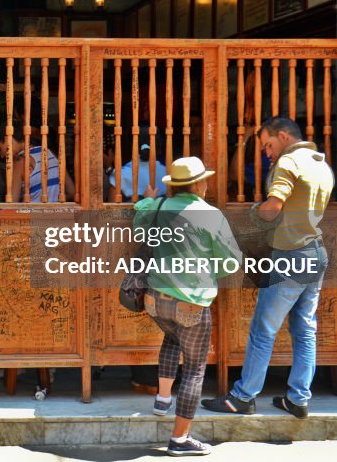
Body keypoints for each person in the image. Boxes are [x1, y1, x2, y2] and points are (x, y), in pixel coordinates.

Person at [202, 116, 334, 419]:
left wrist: (252, 213)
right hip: (316, 253)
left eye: (268, 144)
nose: (266, 152)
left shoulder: (290, 164)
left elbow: (273, 207)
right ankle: (298, 398)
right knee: (305, 330)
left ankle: (242, 397)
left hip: (290, 255)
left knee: (263, 329)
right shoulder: (321, 166)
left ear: (284, 136)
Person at [136, 157, 241, 456]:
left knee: (171, 338)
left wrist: (148, 198)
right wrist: (208, 273)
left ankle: (163, 400)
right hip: (190, 302)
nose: (207, 184)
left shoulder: (156, 207)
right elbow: (231, 261)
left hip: (155, 300)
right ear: (197, 184)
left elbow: (138, 217)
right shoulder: (211, 215)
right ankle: (180, 440)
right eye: (205, 180)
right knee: (195, 370)